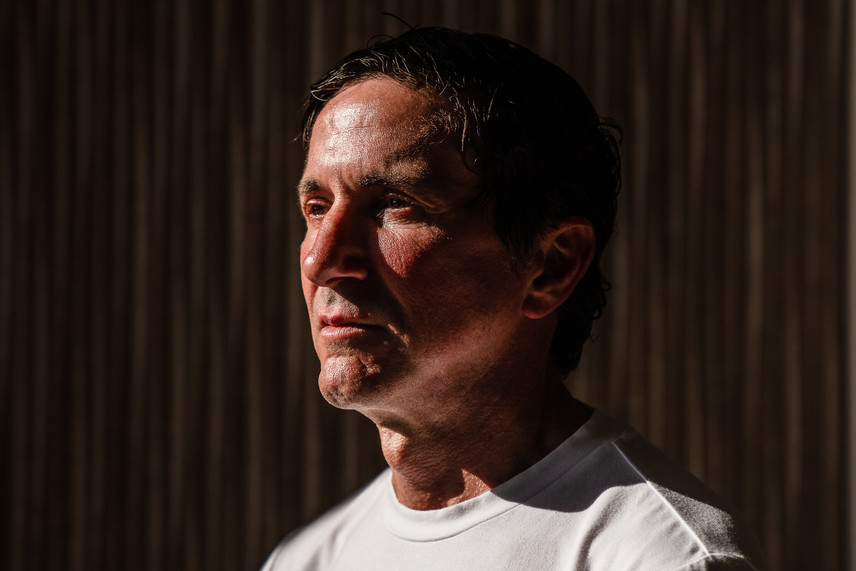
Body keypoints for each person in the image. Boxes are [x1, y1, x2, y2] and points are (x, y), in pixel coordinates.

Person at [262, 27, 766, 570]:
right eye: (317, 208)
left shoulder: (662, 557)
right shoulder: (305, 559)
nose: (320, 261)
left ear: (551, 266)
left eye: (395, 204)